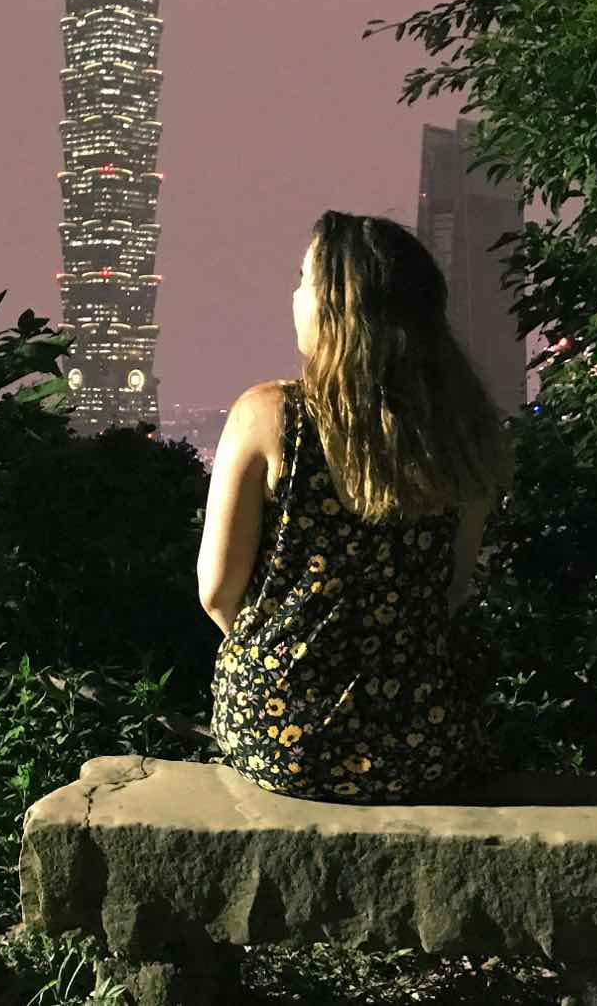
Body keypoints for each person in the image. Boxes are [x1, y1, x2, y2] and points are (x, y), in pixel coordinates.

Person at [197, 210, 515, 802]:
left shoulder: (269, 417)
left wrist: (284, 661)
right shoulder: (465, 432)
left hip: (278, 738)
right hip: (422, 742)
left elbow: (217, 593)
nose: (293, 295)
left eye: (303, 280)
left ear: (335, 308)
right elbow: (453, 589)